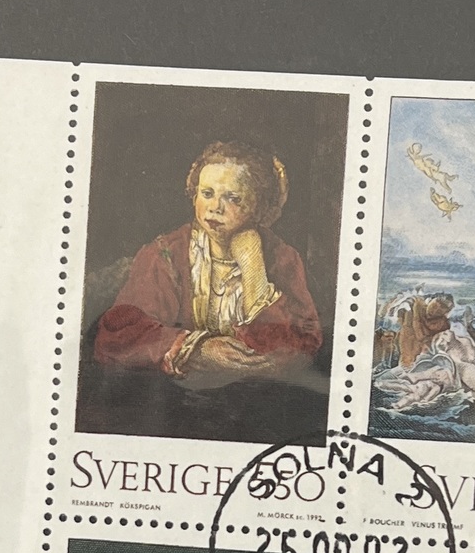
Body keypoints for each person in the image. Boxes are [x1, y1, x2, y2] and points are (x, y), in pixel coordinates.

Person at [93, 140, 322, 388]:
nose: (215, 208)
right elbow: (117, 337)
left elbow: (304, 344)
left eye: (233, 198)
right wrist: (199, 350)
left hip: (258, 394)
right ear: (194, 196)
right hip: (174, 395)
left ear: (259, 206)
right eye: (207, 193)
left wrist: (252, 266)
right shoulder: (165, 254)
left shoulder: (282, 257)